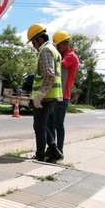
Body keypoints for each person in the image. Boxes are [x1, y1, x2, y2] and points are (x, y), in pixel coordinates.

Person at [26, 24, 63, 162]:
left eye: (34, 43)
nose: (34, 46)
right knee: (40, 125)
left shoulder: (46, 50)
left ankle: (40, 156)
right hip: (51, 95)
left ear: (40, 40)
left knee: (39, 127)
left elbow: (49, 75)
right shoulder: (53, 50)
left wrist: (40, 95)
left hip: (46, 96)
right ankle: (53, 150)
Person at [46, 30, 79, 161]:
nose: (57, 48)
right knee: (50, 125)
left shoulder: (70, 56)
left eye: (58, 46)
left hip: (63, 96)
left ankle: (59, 150)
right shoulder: (64, 54)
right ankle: (52, 149)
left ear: (66, 44)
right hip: (56, 95)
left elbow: (59, 65)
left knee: (58, 124)